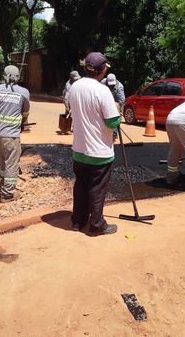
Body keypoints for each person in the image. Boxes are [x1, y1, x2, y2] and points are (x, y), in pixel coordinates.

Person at [68, 52, 121, 235]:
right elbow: (112, 122)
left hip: (79, 150)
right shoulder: (102, 90)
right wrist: (118, 111)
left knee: (81, 186)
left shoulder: (75, 87)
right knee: (97, 189)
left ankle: (77, 221)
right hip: (99, 152)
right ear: (103, 70)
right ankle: (96, 225)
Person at [0, 65, 30, 203]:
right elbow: (25, 113)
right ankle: (8, 194)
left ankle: (4, 183)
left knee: (2, 159)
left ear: (4, 75)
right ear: (18, 77)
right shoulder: (24, 92)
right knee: (11, 163)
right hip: (11, 134)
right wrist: (22, 124)